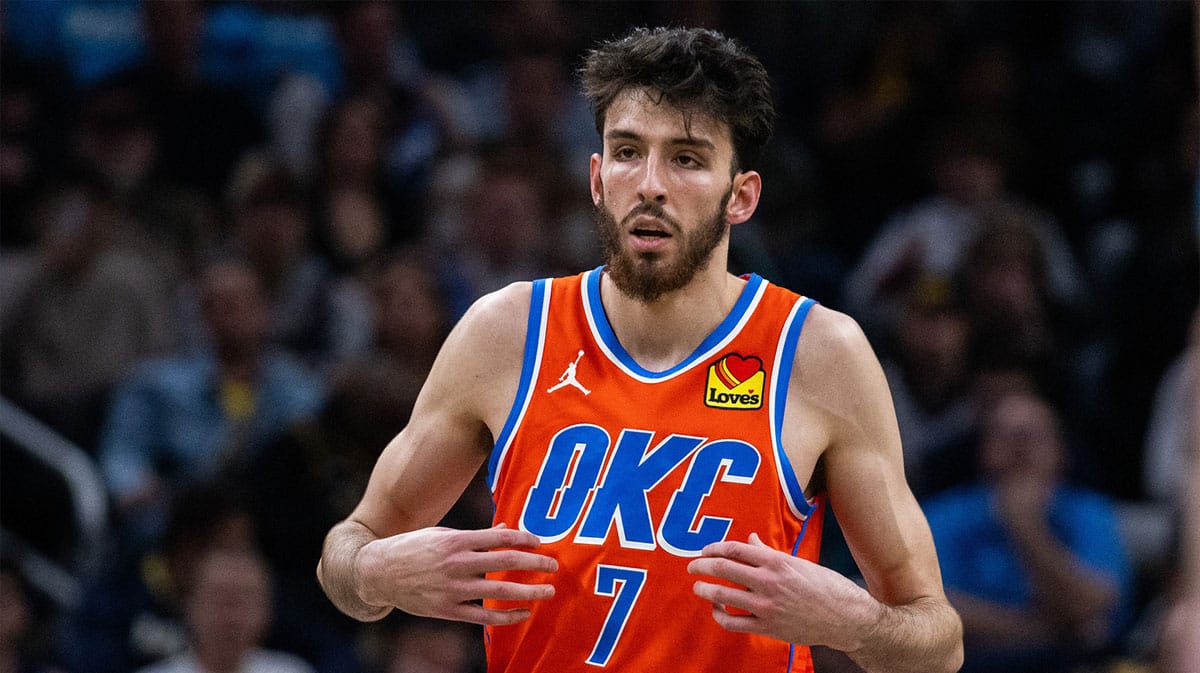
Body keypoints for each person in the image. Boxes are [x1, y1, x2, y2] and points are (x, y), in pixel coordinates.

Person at [318, 27, 962, 673]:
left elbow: (938, 643)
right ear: (597, 177)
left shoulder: (820, 353)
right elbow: (344, 555)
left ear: (741, 195)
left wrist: (856, 621)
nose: (650, 183)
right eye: (628, 151)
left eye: (686, 158)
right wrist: (373, 572)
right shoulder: (507, 332)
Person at [922, 390, 1132, 672]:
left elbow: (1095, 606)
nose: (1020, 449)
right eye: (1006, 436)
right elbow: (931, 610)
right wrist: (1050, 631)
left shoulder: (1092, 514)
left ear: (1061, 451)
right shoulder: (942, 514)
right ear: (984, 449)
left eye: (1033, 436)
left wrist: (1025, 526)